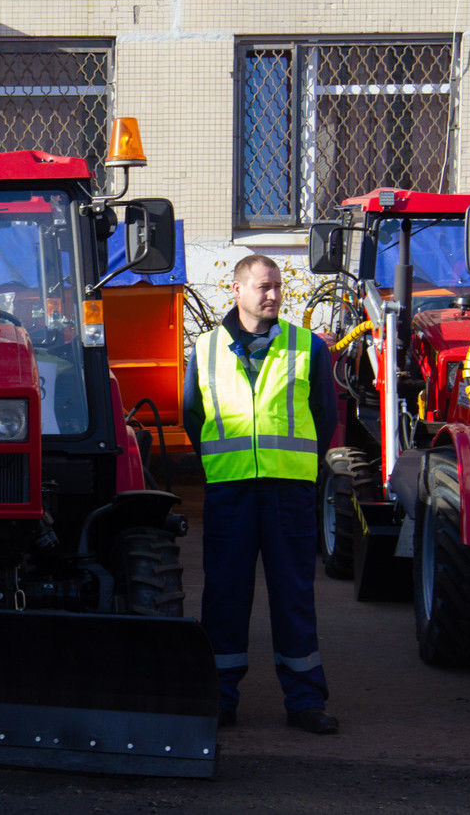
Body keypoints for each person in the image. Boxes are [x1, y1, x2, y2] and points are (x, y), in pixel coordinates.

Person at [182, 254, 339, 734]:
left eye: (277, 287)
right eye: (263, 287)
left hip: (288, 492)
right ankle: (220, 699)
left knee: (293, 596)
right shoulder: (205, 350)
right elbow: (193, 416)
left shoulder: (308, 347)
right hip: (230, 492)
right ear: (237, 289)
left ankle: (305, 701)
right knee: (224, 598)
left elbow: (325, 417)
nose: (273, 295)